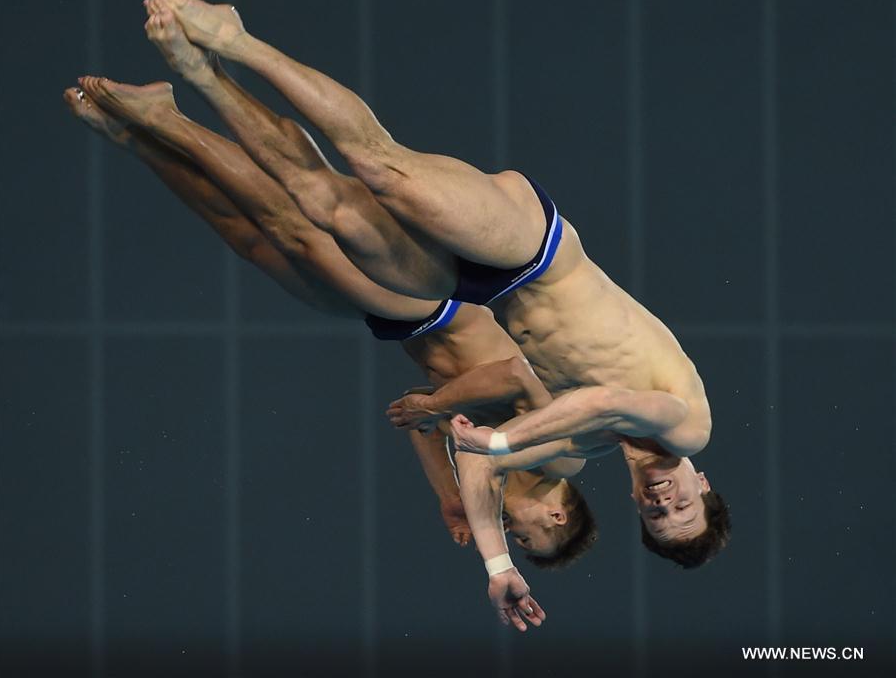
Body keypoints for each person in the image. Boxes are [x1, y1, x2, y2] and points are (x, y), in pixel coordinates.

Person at [137, 0, 729, 578]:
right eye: (683, 506)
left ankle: (203, 75)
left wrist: (499, 565)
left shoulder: (582, 447)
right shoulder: (686, 427)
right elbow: (606, 398)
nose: (663, 502)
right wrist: (497, 444)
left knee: (326, 206)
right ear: (700, 484)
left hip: (479, 290)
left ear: (636, 510)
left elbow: (478, 469)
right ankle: (234, 39)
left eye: (657, 518)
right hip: (535, 251)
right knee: (379, 168)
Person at [69, 46, 592, 629]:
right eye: (528, 536)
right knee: (292, 222)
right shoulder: (564, 456)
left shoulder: (490, 464)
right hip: (443, 309)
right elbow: (514, 375)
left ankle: (137, 140)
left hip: (402, 324)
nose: (514, 534)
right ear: (557, 517)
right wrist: (439, 402)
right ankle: (167, 117)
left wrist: (445, 489)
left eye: (514, 540)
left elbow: (420, 427)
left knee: (253, 241)